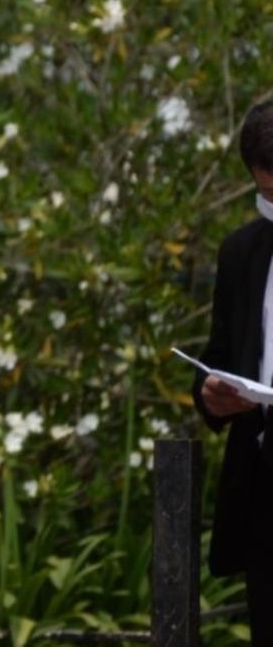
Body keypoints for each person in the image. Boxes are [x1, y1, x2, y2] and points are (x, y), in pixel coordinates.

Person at [193, 100, 273, 639]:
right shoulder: (241, 250)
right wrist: (211, 393)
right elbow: (219, 354)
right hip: (265, 485)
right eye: (268, 193)